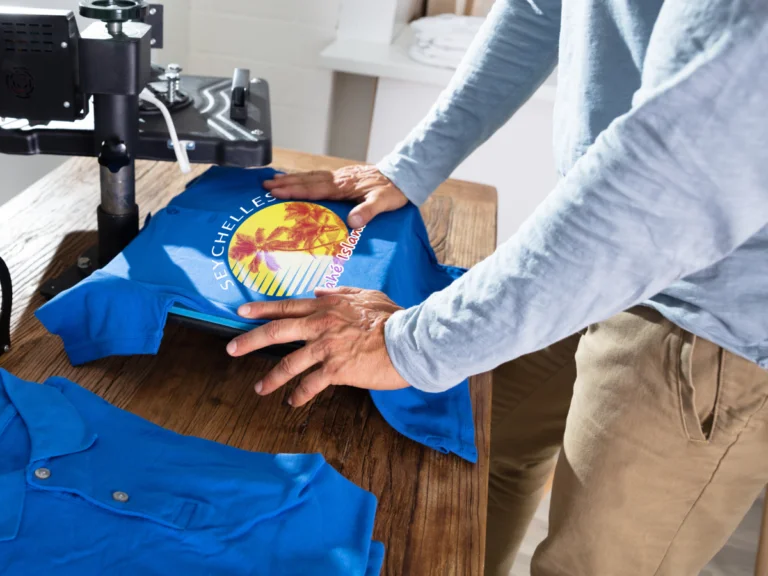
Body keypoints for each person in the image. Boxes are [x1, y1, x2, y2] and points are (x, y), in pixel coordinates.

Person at [224, 1, 768, 574]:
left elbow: (668, 185)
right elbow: (539, 9)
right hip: (591, 248)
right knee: (484, 450)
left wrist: (411, 343)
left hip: (705, 317)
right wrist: (413, 163)